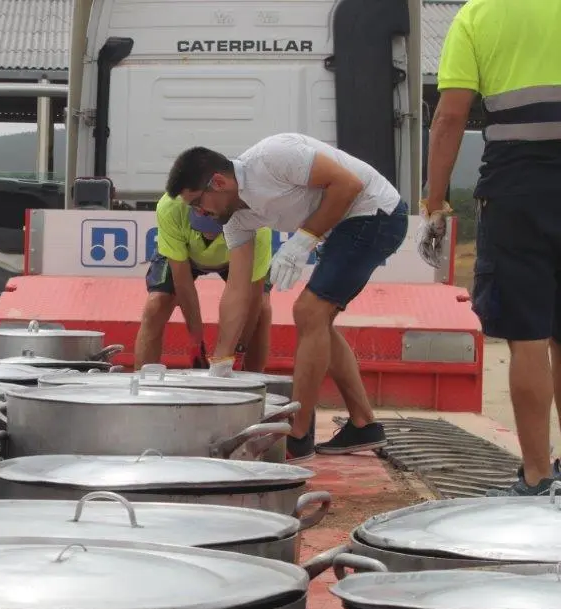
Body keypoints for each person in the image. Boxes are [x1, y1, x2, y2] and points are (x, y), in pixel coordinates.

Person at [167, 135, 407, 461]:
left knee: (309, 312)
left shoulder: (273, 157)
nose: (199, 213)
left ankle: (298, 434)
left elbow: (347, 185)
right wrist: (220, 362)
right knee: (317, 320)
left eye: (198, 203)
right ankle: (363, 424)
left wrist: (300, 243)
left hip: (377, 212)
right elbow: (236, 290)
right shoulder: (237, 219)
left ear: (219, 182)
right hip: (343, 226)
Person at [423, 0, 561, 496]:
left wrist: (434, 200)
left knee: (528, 338)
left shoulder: (478, 14)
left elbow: (450, 115)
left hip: (518, 189)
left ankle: (537, 476)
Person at [135, 191, 274, 370]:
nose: (209, 231)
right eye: (203, 223)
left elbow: (252, 299)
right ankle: (143, 384)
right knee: (156, 305)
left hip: (237, 253)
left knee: (262, 309)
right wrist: (196, 340)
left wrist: (239, 350)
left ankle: (255, 385)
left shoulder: (256, 225)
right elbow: (183, 284)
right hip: (185, 255)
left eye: (215, 225)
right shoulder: (171, 205)